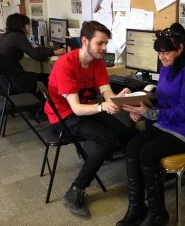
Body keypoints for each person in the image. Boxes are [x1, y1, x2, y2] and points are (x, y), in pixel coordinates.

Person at [116, 23, 185, 226]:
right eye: (159, 52)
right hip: (173, 124)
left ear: (180, 49)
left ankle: (158, 214)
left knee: (148, 153)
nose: (162, 57)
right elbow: (165, 102)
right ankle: (137, 207)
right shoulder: (168, 67)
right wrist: (142, 112)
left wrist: (150, 113)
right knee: (133, 146)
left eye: (166, 52)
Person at [44, 20, 136, 217]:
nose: (104, 48)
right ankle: (75, 190)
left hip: (86, 108)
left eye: (105, 44)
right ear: (84, 41)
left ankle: (136, 182)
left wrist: (117, 99)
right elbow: (76, 109)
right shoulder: (65, 65)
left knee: (126, 134)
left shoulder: (98, 63)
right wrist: (102, 106)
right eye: (99, 43)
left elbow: (106, 93)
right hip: (63, 115)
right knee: (107, 140)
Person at [0, 13, 65, 108]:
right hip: (14, 81)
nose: (29, 27)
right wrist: (56, 52)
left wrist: (48, 51)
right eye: (27, 24)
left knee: (37, 76)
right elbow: (36, 55)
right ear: (22, 25)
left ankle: (33, 108)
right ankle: (40, 109)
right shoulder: (18, 36)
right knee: (48, 78)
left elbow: (34, 51)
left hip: (2, 82)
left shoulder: (4, 37)